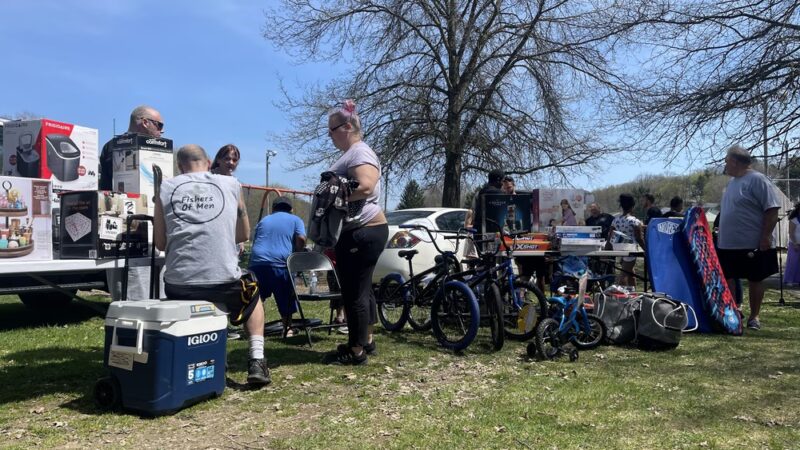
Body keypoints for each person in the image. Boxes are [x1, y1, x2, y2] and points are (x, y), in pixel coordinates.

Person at [153, 144, 271, 386]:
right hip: (223, 283)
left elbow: (161, 243)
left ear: (179, 167)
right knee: (253, 293)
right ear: (208, 163)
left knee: (205, 290)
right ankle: (257, 360)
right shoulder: (230, 184)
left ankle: (209, 357)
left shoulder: (166, 188)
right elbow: (243, 235)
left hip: (178, 284)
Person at [323, 99, 389, 365]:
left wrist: (331, 196)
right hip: (363, 230)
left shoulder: (360, 152)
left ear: (347, 126)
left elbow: (366, 186)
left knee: (354, 291)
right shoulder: (354, 153)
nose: (330, 136)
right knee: (362, 289)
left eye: (332, 129)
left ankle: (356, 350)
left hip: (363, 230)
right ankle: (366, 340)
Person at [99, 105, 165, 302]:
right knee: (130, 281)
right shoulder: (116, 146)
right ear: (144, 122)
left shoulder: (157, 149)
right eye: (159, 125)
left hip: (155, 222)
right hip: (125, 225)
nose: (162, 131)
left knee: (158, 280)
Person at [717, 144, 781, 330]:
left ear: (735, 162)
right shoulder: (731, 183)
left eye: (727, 161)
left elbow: (772, 210)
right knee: (728, 277)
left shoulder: (758, 180)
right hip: (728, 244)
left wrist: (766, 236)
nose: (725, 165)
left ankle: (754, 317)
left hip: (752, 242)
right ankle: (733, 312)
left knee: (755, 278)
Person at [249, 196, 306, 337]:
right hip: (280, 264)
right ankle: (287, 330)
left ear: (274, 208)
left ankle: (255, 332)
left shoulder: (264, 220)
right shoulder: (295, 220)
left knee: (257, 299)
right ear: (291, 209)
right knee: (286, 297)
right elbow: (301, 239)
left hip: (257, 263)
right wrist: (298, 252)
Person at [609, 193, 645, 289]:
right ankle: (621, 295)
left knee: (630, 273)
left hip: (619, 249)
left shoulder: (615, 220)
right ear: (632, 206)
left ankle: (633, 293)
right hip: (631, 251)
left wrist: (607, 250)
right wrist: (646, 249)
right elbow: (639, 238)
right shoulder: (634, 221)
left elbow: (610, 236)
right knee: (624, 275)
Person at [784, 203, 800, 286]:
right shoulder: (794, 219)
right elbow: (791, 233)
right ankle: (789, 280)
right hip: (794, 244)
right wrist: (795, 244)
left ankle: (798, 280)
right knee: (793, 263)